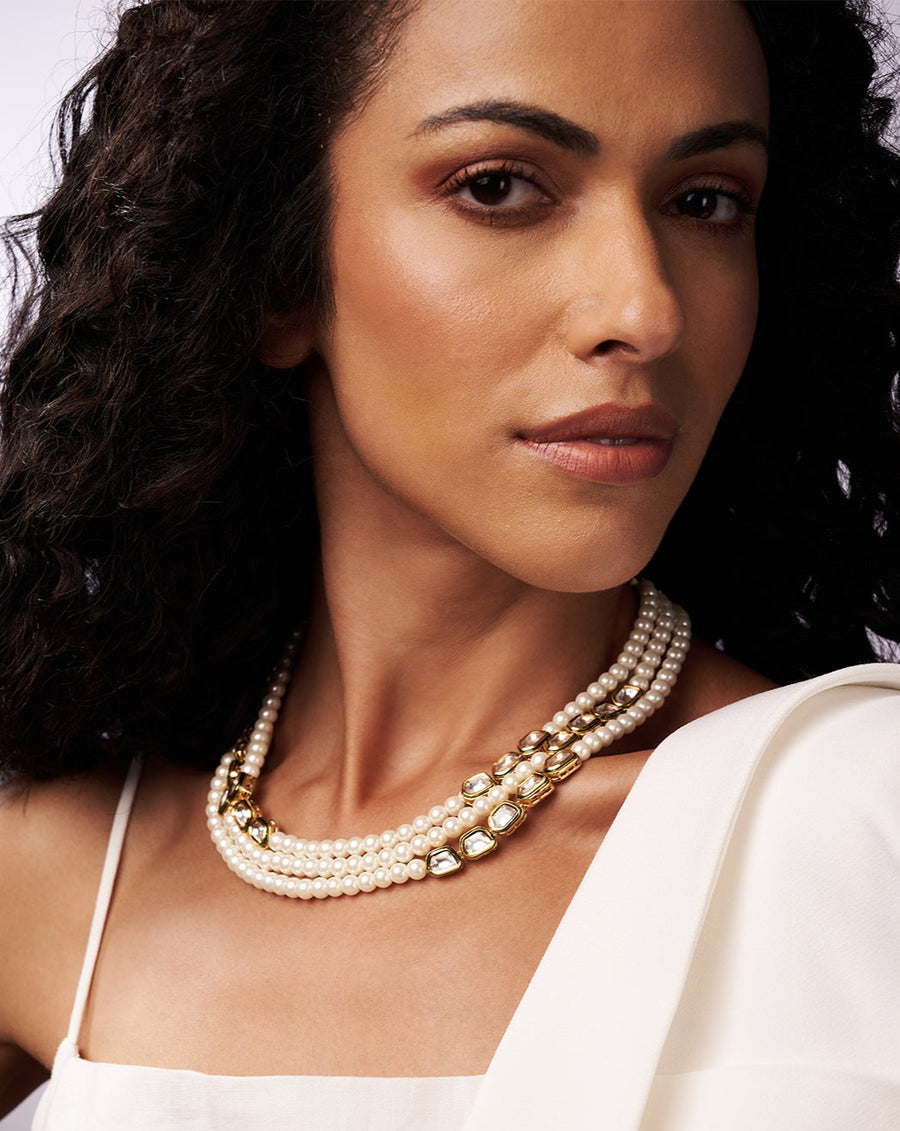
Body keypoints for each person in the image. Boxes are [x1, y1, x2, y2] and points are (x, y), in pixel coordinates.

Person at [0, 1, 898, 1127]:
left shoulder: (863, 823)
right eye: (499, 187)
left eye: (706, 201)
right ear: (276, 274)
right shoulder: (58, 877)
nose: (646, 309)